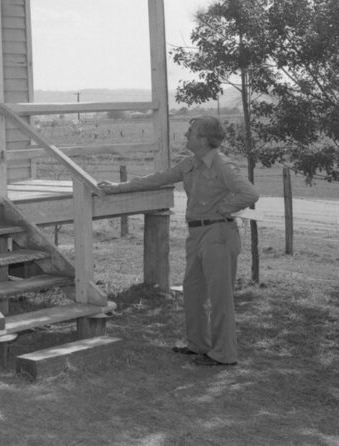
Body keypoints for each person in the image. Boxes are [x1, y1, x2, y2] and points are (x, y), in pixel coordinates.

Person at [99, 116, 259, 367]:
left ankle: (223, 355)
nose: (186, 135)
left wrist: (223, 209)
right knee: (193, 293)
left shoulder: (223, 165)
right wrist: (118, 187)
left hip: (219, 234)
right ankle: (198, 345)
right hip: (196, 235)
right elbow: (156, 178)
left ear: (205, 139)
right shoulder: (189, 163)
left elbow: (249, 193)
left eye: (191, 132)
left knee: (220, 298)